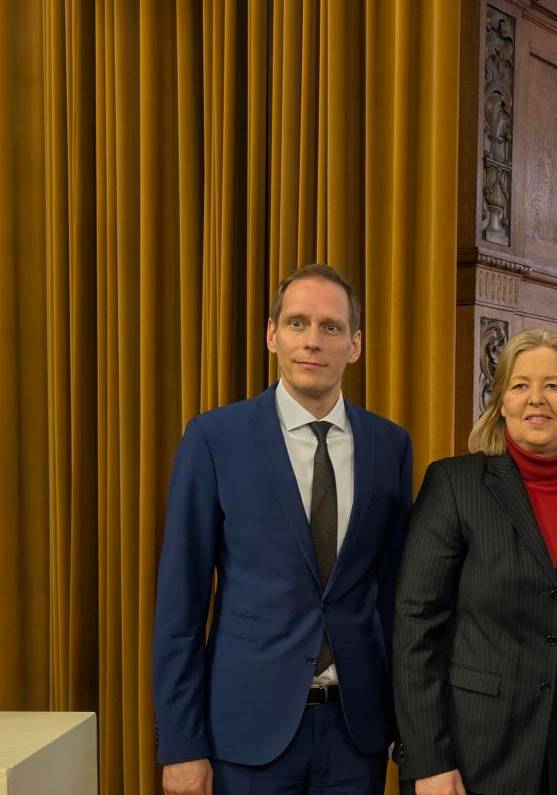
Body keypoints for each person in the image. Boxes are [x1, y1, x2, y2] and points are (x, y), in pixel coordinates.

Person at [153, 265, 415, 795]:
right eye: (297, 323)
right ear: (272, 335)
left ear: (356, 345)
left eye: (331, 327)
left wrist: (403, 724)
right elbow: (180, 607)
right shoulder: (214, 440)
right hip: (247, 735)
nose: (312, 341)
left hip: (355, 734)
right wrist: (182, 744)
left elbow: (394, 599)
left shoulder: (390, 447)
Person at [393, 329, 557, 795]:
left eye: (554, 385)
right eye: (520, 386)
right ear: (500, 402)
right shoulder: (455, 484)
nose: (536, 399)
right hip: (471, 757)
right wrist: (428, 760)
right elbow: (414, 626)